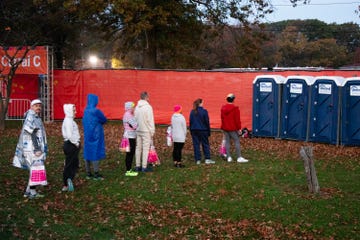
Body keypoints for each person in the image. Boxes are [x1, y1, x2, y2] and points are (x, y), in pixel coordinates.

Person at [13, 99, 48, 199]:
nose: (38, 107)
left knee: (34, 170)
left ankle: (28, 191)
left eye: (39, 106)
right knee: (36, 169)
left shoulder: (35, 117)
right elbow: (31, 132)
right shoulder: (31, 116)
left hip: (33, 148)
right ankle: (32, 193)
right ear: (31, 107)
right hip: (32, 149)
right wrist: (37, 148)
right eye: (36, 105)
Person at [82, 93, 107, 180]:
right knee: (95, 152)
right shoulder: (96, 111)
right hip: (96, 134)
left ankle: (88, 173)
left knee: (87, 152)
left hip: (87, 134)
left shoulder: (85, 110)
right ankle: (96, 174)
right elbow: (104, 119)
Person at [220, 93, 248, 163]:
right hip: (232, 128)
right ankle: (239, 157)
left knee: (227, 142)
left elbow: (222, 118)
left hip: (225, 128)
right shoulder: (235, 109)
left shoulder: (223, 108)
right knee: (236, 141)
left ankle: (229, 157)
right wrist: (239, 128)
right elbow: (237, 120)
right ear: (233, 100)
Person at [61, 104, 81, 191]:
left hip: (72, 145)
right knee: (69, 165)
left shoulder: (70, 120)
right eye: (74, 110)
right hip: (71, 145)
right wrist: (76, 143)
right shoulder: (68, 121)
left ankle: (69, 180)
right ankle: (66, 183)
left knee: (73, 163)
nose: (75, 112)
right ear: (69, 111)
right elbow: (69, 135)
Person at [134, 91, 155, 172]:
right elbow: (150, 120)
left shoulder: (137, 107)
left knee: (138, 148)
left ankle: (138, 165)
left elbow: (135, 119)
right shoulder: (148, 107)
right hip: (146, 131)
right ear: (146, 97)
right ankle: (144, 167)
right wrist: (152, 131)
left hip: (138, 130)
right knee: (145, 148)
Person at [189, 98, 215, 164]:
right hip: (203, 130)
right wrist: (209, 131)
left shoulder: (192, 111)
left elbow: (190, 122)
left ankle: (198, 159)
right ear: (200, 103)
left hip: (194, 130)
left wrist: (191, 130)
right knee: (205, 144)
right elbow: (207, 122)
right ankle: (207, 158)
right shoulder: (204, 111)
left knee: (196, 145)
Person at [122, 101, 138, 176]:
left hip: (130, 136)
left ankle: (129, 169)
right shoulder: (128, 115)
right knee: (130, 153)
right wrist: (137, 122)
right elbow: (135, 125)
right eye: (133, 107)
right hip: (130, 137)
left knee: (130, 153)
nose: (134, 108)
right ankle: (128, 170)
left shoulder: (128, 114)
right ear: (129, 108)